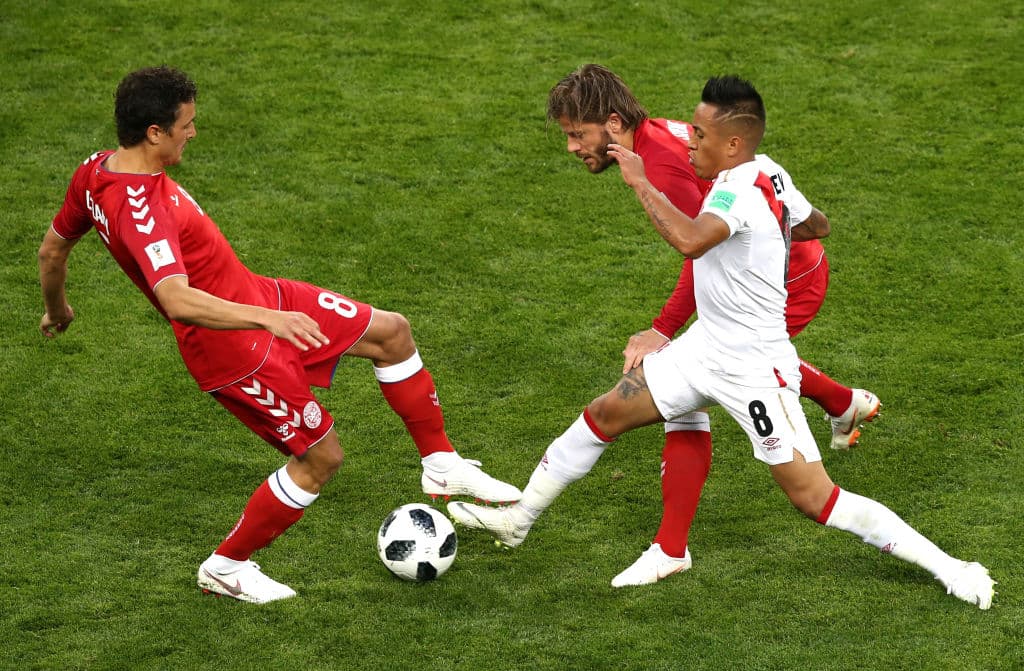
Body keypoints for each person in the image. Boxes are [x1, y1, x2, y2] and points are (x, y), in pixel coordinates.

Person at [448, 75, 995, 609]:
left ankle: (953, 567)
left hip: (755, 368)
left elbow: (689, 241)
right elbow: (817, 225)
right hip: (707, 344)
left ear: (733, 144)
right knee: (605, 412)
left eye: (701, 136)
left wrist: (640, 181)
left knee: (815, 499)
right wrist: (771, 233)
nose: (690, 141)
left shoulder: (733, 189)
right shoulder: (767, 174)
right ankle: (520, 523)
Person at [38, 66, 521, 604]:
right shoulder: (140, 207)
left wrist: (57, 311)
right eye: (186, 124)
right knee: (320, 459)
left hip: (262, 296)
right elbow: (175, 299)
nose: (193, 133)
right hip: (233, 347)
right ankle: (226, 567)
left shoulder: (94, 171)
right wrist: (267, 321)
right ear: (155, 132)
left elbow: (51, 250)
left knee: (391, 333)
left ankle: (442, 466)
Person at [542, 64, 881, 586]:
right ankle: (841, 402)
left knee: (714, 376)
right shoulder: (655, 137)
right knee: (698, 378)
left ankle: (672, 547)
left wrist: (662, 328)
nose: (570, 147)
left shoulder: (662, 167)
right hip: (769, 267)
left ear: (611, 124)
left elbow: (699, 248)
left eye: (575, 134)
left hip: (787, 277)